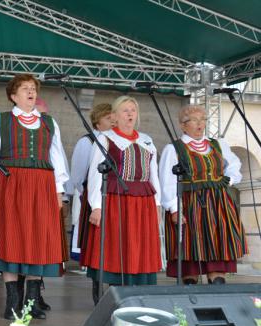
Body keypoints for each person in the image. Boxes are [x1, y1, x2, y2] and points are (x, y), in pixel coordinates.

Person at [0, 74, 69, 320]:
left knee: (38, 239)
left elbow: (57, 159)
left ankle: (31, 301)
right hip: (11, 185)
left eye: (33, 89)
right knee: (12, 237)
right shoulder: (1, 121)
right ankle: (12, 301)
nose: (31, 93)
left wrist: (58, 192)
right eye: (25, 89)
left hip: (42, 185)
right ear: (13, 95)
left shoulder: (49, 122)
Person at [83, 96, 162, 303]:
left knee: (139, 247)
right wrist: (97, 207)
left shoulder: (147, 140)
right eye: (125, 111)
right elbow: (94, 174)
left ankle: (137, 296)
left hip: (143, 202)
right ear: (114, 116)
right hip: (116, 200)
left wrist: (157, 205)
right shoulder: (105, 138)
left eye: (133, 111)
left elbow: (154, 174)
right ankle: (113, 297)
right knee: (116, 246)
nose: (129, 114)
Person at [159, 104, 247, 284]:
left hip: (218, 202)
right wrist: (174, 209)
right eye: (194, 121)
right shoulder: (174, 148)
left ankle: (217, 286)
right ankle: (191, 294)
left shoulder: (218, 145)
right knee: (191, 251)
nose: (200, 125)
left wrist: (228, 180)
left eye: (203, 120)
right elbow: (166, 181)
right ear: (183, 125)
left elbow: (235, 166)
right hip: (189, 203)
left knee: (217, 243)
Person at [68, 103, 113, 302]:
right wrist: (87, 196)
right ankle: (98, 292)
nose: (113, 121)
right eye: (108, 118)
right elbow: (77, 175)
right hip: (93, 196)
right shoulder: (87, 142)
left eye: (114, 118)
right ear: (97, 121)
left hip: (116, 198)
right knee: (97, 245)